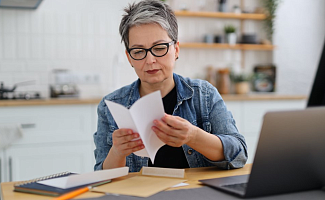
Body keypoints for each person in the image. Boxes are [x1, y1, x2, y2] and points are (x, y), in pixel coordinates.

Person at [94, 0, 247, 172]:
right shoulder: (111, 106)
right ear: (129, 58)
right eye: (138, 51)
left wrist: (193, 136)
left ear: (176, 50)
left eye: (159, 48)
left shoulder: (204, 95)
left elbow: (239, 155)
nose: (150, 60)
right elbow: (102, 177)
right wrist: (117, 152)